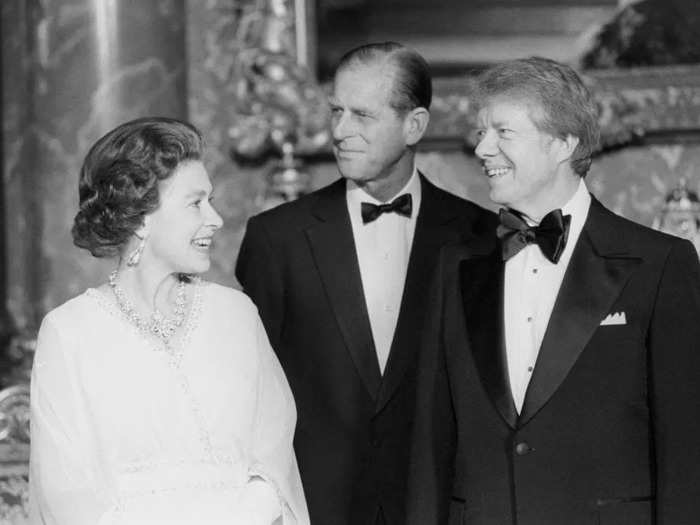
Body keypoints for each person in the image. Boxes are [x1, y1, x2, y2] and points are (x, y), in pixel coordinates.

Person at [407, 56, 700, 525]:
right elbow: (430, 441)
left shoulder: (660, 264)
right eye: (482, 132)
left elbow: (686, 450)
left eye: (503, 132)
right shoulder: (455, 266)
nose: (482, 148)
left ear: (565, 143)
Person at [236, 42, 495, 524]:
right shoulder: (278, 240)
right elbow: (250, 400)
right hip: (316, 508)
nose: (339, 131)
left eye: (362, 116)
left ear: (414, 125)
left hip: (440, 505)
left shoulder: (480, 237)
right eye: (336, 111)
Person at [29, 117, 309, 525]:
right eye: (195, 202)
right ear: (141, 216)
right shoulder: (69, 333)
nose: (215, 218)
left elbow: (273, 461)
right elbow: (68, 498)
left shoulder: (236, 316)